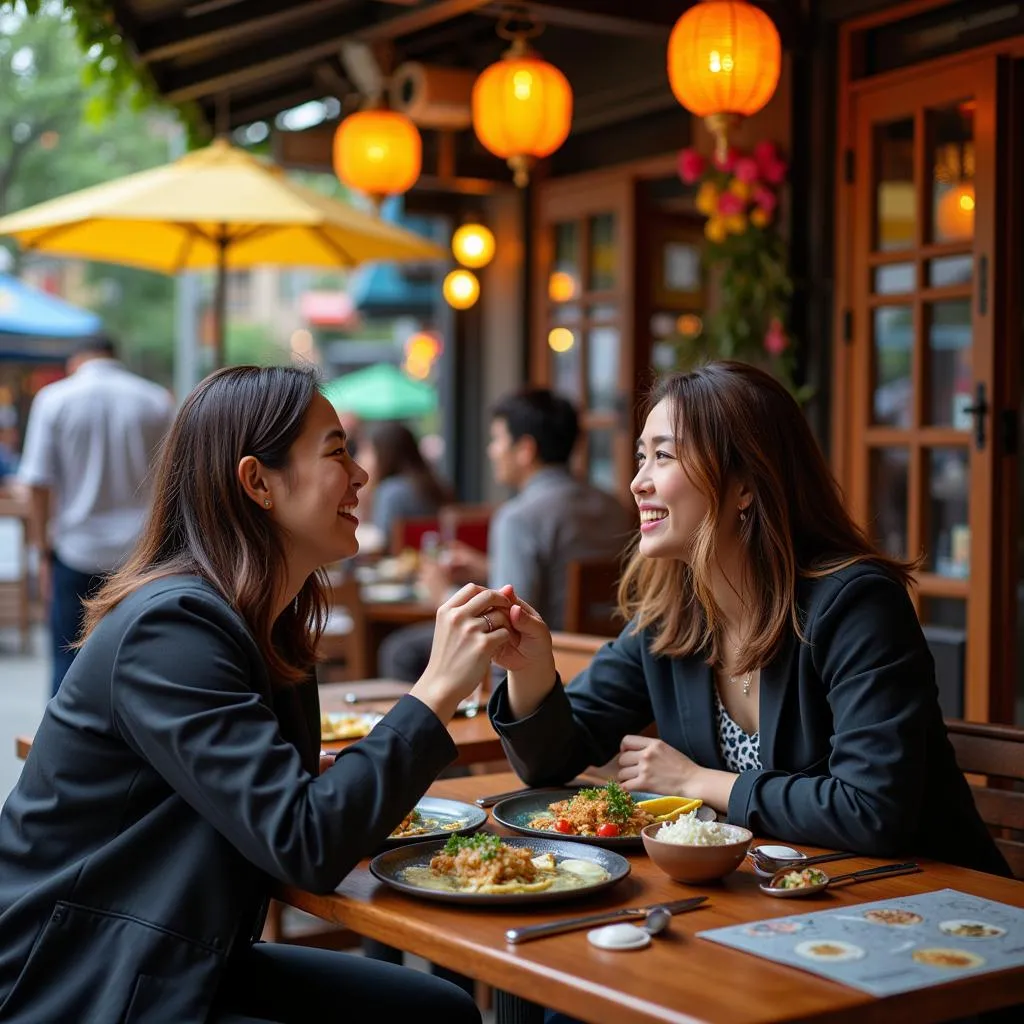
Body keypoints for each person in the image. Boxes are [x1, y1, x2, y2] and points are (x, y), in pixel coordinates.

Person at [0, 365, 513, 1023]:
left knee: (436, 1008)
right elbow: (306, 845)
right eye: (336, 452)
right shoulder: (172, 626)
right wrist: (436, 688)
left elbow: (290, 814)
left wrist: (308, 782)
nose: (360, 475)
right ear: (257, 482)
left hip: (171, 950)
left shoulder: (256, 619)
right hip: (79, 975)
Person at [487, 361, 1010, 879]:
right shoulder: (671, 616)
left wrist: (698, 782)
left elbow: (872, 810)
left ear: (745, 486)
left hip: (931, 904)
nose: (636, 482)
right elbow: (549, 763)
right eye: (641, 457)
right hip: (781, 901)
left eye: (662, 456)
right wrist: (530, 669)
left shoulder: (856, 606)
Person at [378, 388, 633, 682]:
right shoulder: (614, 506)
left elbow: (505, 626)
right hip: (606, 660)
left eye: (497, 439)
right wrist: (487, 566)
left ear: (525, 450)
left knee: (400, 651)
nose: (491, 450)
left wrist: (442, 594)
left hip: (542, 665)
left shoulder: (519, 518)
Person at [17, 333, 175, 695]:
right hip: (141, 555)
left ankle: (63, 748)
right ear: (114, 355)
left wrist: (42, 551)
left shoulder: (54, 399)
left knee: (67, 662)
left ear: (77, 361)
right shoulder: (154, 400)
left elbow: (37, 484)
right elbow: (173, 479)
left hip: (75, 551)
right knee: (139, 662)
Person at [359, 420, 453, 551]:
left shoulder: (390, 491)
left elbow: (380, 544)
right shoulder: (437, 485)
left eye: (369, 452)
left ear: (384, 455)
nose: (361, 459)